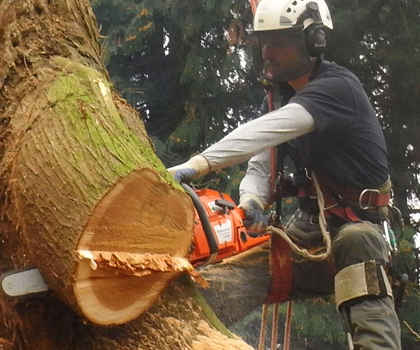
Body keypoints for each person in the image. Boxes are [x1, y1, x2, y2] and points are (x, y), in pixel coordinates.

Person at [167, 0, 401, 348]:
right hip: (306, 236)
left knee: (356, 246)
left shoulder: (337, 88)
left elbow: (264, 132)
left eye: (280, 42)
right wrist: (251, 199)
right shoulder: (276, 101)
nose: (268, 51)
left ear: (313, 42)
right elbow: (261, 165)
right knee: (214, 286)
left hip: (359, 228)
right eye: (264, 41)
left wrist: (198, 164)